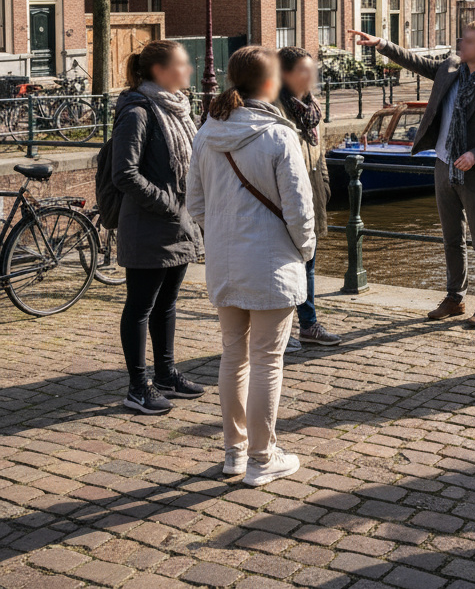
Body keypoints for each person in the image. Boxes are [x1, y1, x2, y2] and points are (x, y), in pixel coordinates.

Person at [186, 46, 316, 487]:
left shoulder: (207, 131)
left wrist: (223, 235)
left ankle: (234, 453)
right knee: (266, 359)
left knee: (232, 357)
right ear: (269, 83)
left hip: (224, 262)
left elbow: (196, 205)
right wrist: (306, 249)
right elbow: (300, 210)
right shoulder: (278, 136)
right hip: (271, 261)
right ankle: (262, 459)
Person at [348, 21, 475, 328]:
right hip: (443, 166)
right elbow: (416, 61)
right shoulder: (450, 69)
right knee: (451, 238)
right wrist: (381, 44)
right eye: (462, 39)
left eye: (468, 41)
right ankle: (454, 299)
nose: (461, 44)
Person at [113, 39, 203, 416]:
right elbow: (124, 173)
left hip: (178, 224)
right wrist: (168, 203)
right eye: (182, 64)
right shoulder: (138, 112)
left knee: (167, 303)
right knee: (140, 306)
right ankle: (137, 386)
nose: (189, 70)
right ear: (160, 71)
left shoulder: (181, 110)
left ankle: (165, 373)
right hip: (149, 225)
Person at [276, 46, 341, 350]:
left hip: (312, 199)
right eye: (304, 70)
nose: (311, 76)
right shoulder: (276, 109)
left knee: (308, 266)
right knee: (284, 268)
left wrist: (324, 187)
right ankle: (281, 329)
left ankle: (308, 325)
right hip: (284, 203)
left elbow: (320, 154)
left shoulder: (311, 109)